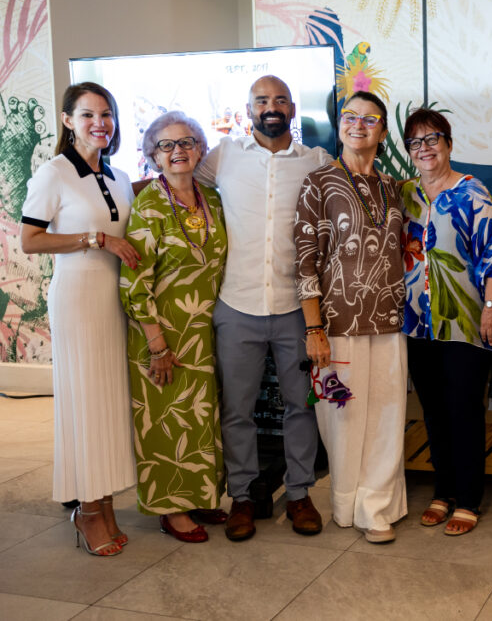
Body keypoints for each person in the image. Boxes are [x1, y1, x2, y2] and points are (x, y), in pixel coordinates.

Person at [194, 75, 332, 540]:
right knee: (237, 411)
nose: (270, 107)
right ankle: (243, 497)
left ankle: (299, 494)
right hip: (237, 305)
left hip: (296, 308)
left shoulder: (316, 161)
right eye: (261, 100)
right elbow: (179, 184)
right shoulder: (223, 156)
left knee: (301, 407)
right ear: (248, 108)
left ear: (292, 108)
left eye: (279, 100)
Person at [20, 82, 140, 556]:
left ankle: (103, 504)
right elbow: (31, 240)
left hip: (113, 300)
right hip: (78, 298)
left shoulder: (118, 175)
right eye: (88, 114)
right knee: (86, 402)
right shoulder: (54, 173)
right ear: (68, 121)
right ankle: (88, 511)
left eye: (106, 114)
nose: (99, 123)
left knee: (109, 403)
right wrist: (96, 239)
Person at [295, 92, 407, 544]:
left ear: (383, 131)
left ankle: (376, 507)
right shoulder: (318, 182)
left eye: (369, 119)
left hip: (390, 320)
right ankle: (346, 504)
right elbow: (305, 261)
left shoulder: (394, 187)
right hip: (336, 324)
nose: (358, 124)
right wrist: (313, 328)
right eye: (349, 116)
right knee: (341, 419)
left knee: (386, 417)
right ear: (339, 124)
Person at [400, 108, 492, 536]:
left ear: (448, 144)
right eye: (416, 142)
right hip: (417, 324)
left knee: (464, 410)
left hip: (465, 322)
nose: (425, 148)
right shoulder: (405, 194)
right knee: (433, 412)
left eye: (433, 139)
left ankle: (467, 499)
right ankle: (442, 491)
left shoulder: (472, 192)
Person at [120, 111, 228, 543]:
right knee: (167, 419)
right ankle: (171, 509)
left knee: (201, 418)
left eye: (186, 142)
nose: (178, 150)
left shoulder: (213, 198)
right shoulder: (149, 203)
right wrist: (157, 345)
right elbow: (134, 280)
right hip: (162, 332)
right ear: (153, 156)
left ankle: (201, 495)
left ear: (200, 149)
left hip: (205, 331)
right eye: (166, 145)